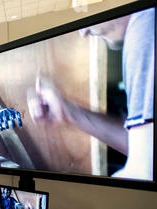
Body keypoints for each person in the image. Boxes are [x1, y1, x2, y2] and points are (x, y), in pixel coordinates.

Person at [28, 8, 154, 180]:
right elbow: (141, 148)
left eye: (82, 11)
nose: (83, 32)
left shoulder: (144, 27)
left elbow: (143, 173)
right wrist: (69, 112)